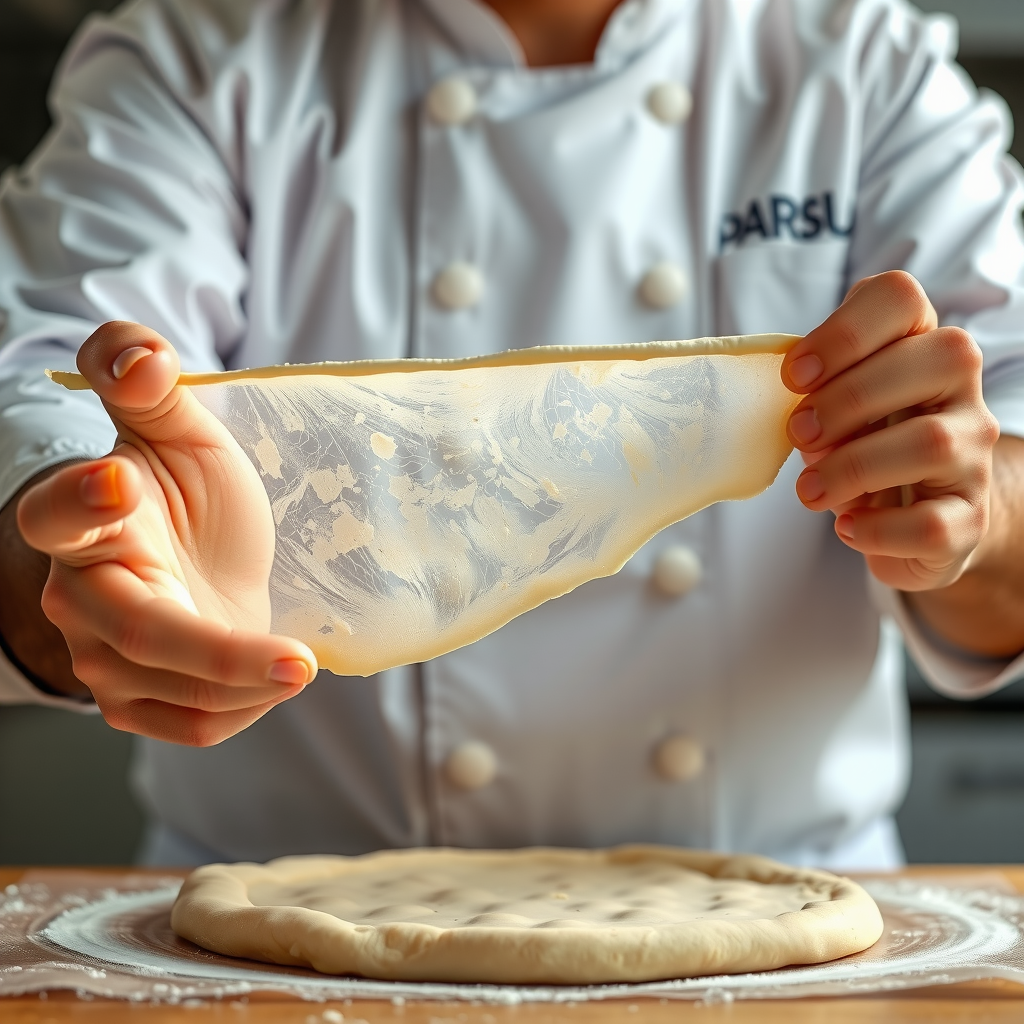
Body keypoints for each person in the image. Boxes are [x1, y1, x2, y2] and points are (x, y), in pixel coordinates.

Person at [0, 0, 1022, 869]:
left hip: (781, 933)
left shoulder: (861, 66)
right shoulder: (199, 53)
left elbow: (1003, 461)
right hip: (275, 934)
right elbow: (46, 399)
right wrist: (101, 564)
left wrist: (973, 509)